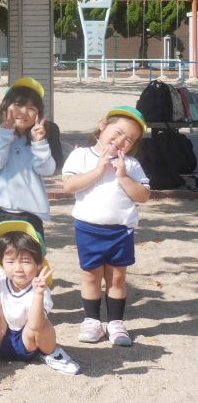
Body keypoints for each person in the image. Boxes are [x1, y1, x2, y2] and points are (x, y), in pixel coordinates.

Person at [61, 106, 150, 347]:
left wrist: (122, 176)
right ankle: (91, 321)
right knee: (90, 276)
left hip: (120, 230)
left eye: (129, 139)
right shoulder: (81, 156)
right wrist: (99, 170)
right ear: (103, 125)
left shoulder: (130, 165)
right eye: (118, 132)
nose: (121, 141)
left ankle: (115, 323)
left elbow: (142, 195)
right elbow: (69, 185)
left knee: (118, 278)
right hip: (88, 228)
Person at [0, 222, 80, 375]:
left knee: (43, 324)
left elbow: (35, 324)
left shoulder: (40, 287)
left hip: (29, 343)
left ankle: (52, 354)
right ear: (1, 263)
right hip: (0, 339)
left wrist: (39, 294)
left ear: (39, 264)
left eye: (26, 261)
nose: (18, 268)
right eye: (10, 261)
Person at [0, 78, 55, 255]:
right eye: (19, 105)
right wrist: (5, 133)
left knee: (29, 259)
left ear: (38, 115)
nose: (24, 112)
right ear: (5, 109)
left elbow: (47, 169)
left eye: (31, 108)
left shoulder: (38, 141)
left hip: (30, 213)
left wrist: (39, 142)